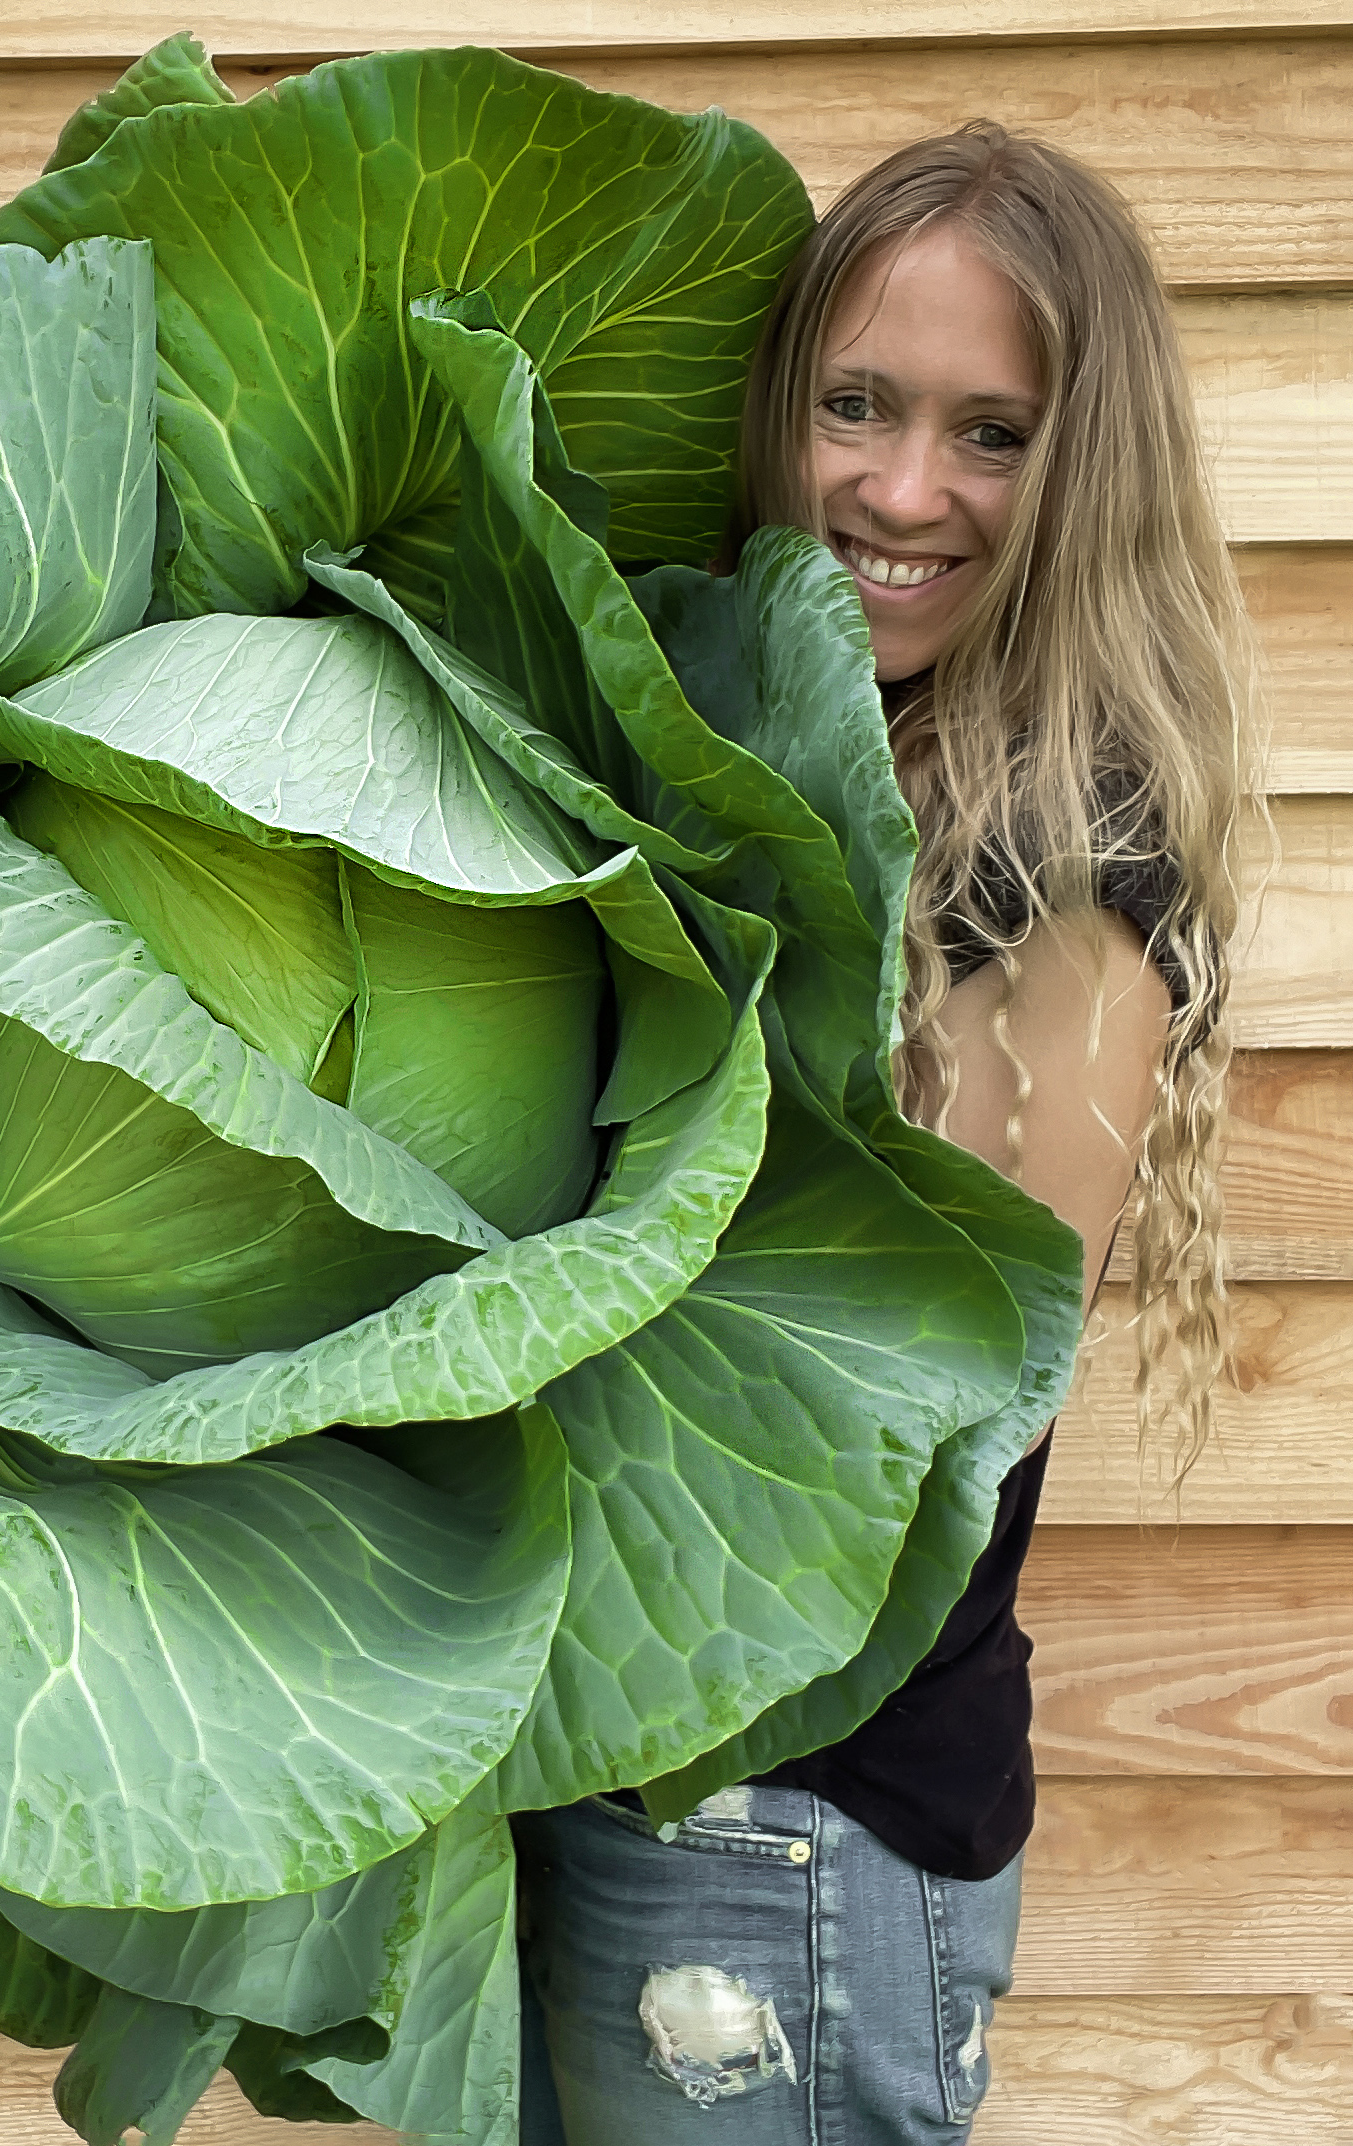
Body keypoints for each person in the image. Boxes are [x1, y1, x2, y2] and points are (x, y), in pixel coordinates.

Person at [514, 121, 1252, 2144]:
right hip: (650, 1775)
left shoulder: (1060, 882)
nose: (900, 489)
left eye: (987, 432)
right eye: (854, 404)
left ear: (1075, 471)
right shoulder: (805, 756)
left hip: (786, 1828)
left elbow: (912, 1440)